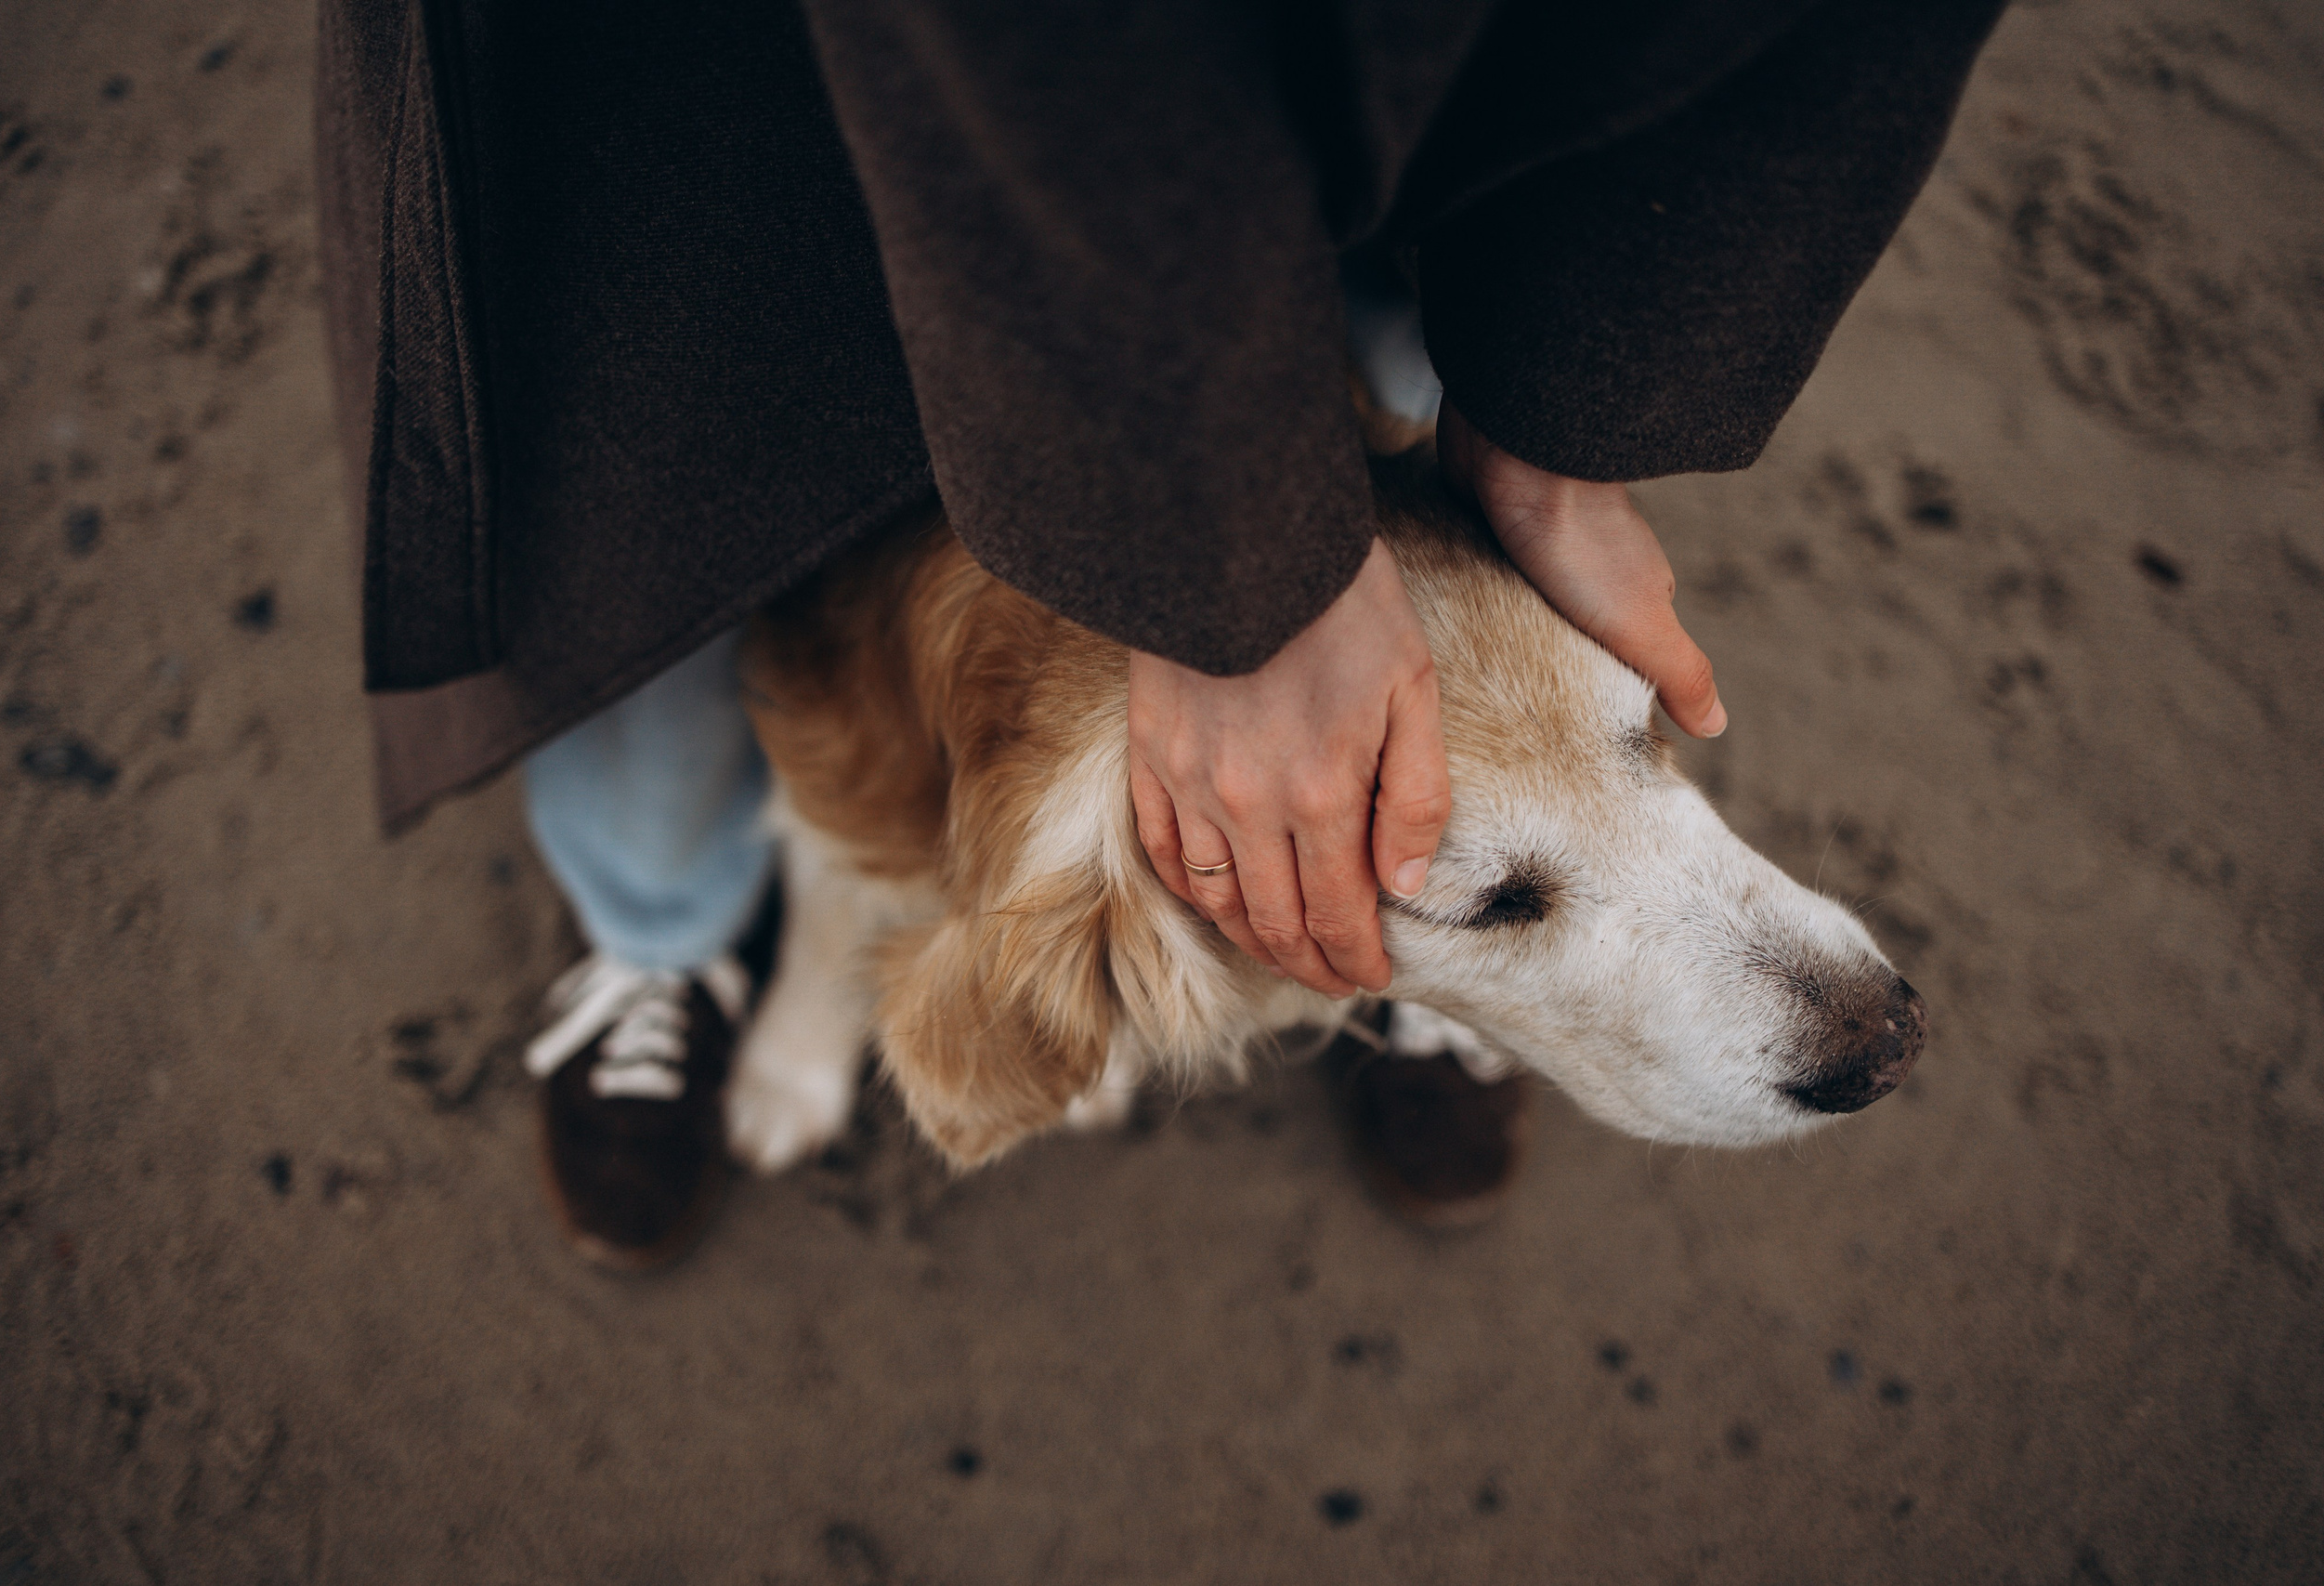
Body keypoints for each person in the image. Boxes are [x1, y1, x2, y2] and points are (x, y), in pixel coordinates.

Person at [316, 0, 2007, 1266]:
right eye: (1491, 886)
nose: (1831, 984)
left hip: (1418, 63)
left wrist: (1562, 425)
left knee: (1420, 289)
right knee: (627, 529)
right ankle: (661, 934)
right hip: (756, 90)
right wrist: (1235, 590)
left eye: (1629, 722)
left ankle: (1385, 967)